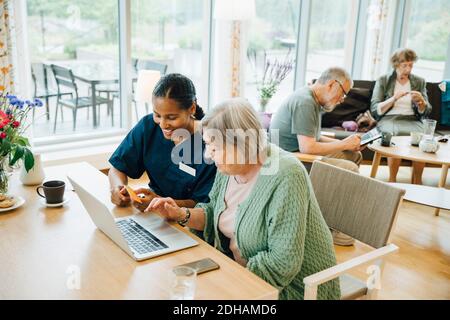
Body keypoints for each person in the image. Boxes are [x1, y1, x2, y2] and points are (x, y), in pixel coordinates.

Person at [145, 98, 340, 300]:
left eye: (214, 147)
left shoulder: (287, 175)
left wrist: (226, 283)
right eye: (207, 145)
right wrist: (179, 214)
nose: (208, 156)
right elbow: (214, 213)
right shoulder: (229, 167)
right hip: (238, 273)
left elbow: (282, 263)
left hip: (294, 289)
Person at [108, 73, 217, 211]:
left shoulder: (210, 143)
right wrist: (117, 188)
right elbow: (118, 167)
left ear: (192, 108)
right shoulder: (148, 127)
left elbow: (204, 205)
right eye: (157, 115)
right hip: (152, 212)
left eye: (171, 117)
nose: (163, 124)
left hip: (189, 220)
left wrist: (160, 203)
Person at [270, 67, 363, 173]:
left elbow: (314, 138)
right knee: (351, 168)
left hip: (298, 152)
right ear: (331, 84)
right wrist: (344, 144)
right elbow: (307, 148)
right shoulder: (305, 102)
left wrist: (347, 143)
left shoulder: (313, 98)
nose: (342, 99)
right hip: (288, 159)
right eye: (343, 93)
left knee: (355, 155)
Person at [371, 48, 432, 184]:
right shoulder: (384, 80)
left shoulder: (419, 81)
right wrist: (393, 98)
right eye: (404, 65)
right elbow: (375, 109)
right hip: (390, 118)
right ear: (396, 64)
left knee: (421, 137)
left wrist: (421, 101)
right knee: (395, 134)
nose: (408, 69)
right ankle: (392, 180)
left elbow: (426, 110)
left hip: (412, 119)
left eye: (411, 65)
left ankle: (417, 181)